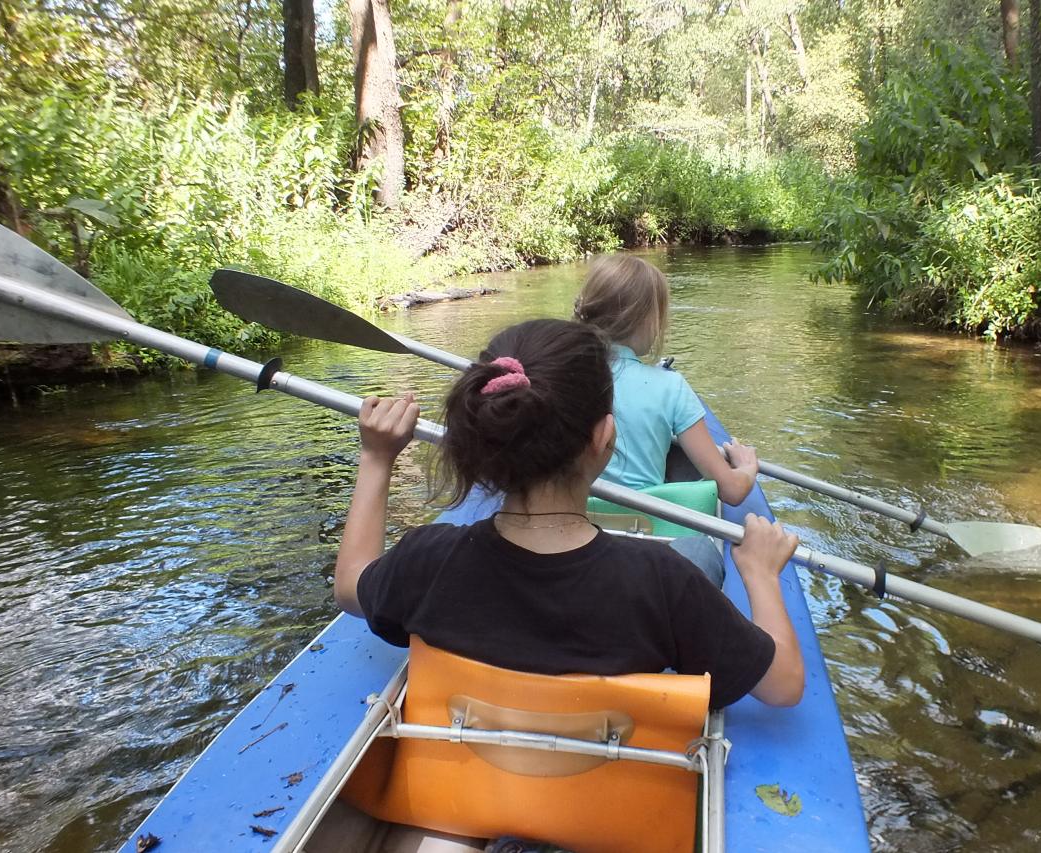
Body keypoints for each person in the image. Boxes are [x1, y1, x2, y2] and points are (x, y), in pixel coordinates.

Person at [332, 318, 804, 710]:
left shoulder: (428, 561)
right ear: (604, 439)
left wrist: (376, 459)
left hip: (471, 790)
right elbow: (783, 687)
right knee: (702, 554)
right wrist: (760, 572)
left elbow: (351, 587)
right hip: (603, 798)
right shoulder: (665, 582)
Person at [572, 255, 759, 507]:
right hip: (647, 529)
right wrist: (747, 467)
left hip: (571, 521)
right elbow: (732, 491)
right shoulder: (671, 387)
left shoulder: (559, 373)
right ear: (647, 320)